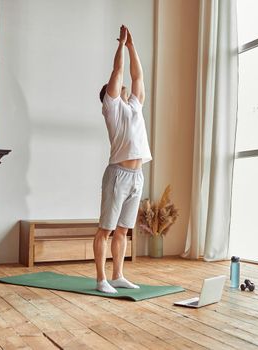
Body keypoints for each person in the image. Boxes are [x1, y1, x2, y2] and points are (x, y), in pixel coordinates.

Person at [93, 25, 152, 293]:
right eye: (117, 88)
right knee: (105, 229)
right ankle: (101, 279)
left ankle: (117, 275)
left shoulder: (134, 106)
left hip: (137, 176)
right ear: (109, 96)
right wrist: (120, 45)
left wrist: (132, 47)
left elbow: (138, 76)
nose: (124, 87)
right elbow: (119, 72)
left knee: (122, 230)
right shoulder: (112, 108)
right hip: (117, 175)